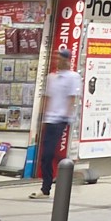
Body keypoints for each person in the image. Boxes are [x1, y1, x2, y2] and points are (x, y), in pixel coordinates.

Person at [35, 48, 84, 187]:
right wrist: (41, 118)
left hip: (60, 119)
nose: (57, 60)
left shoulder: (73, 77)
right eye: (56, 57)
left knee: (49, 153)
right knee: (46, 154)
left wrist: (67, 116)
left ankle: (46, 187)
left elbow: (72, 99)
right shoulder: (51, 77)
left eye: (60, 58)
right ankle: (68, 171)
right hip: (49, 119)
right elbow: (46, 98)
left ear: (67, 60)